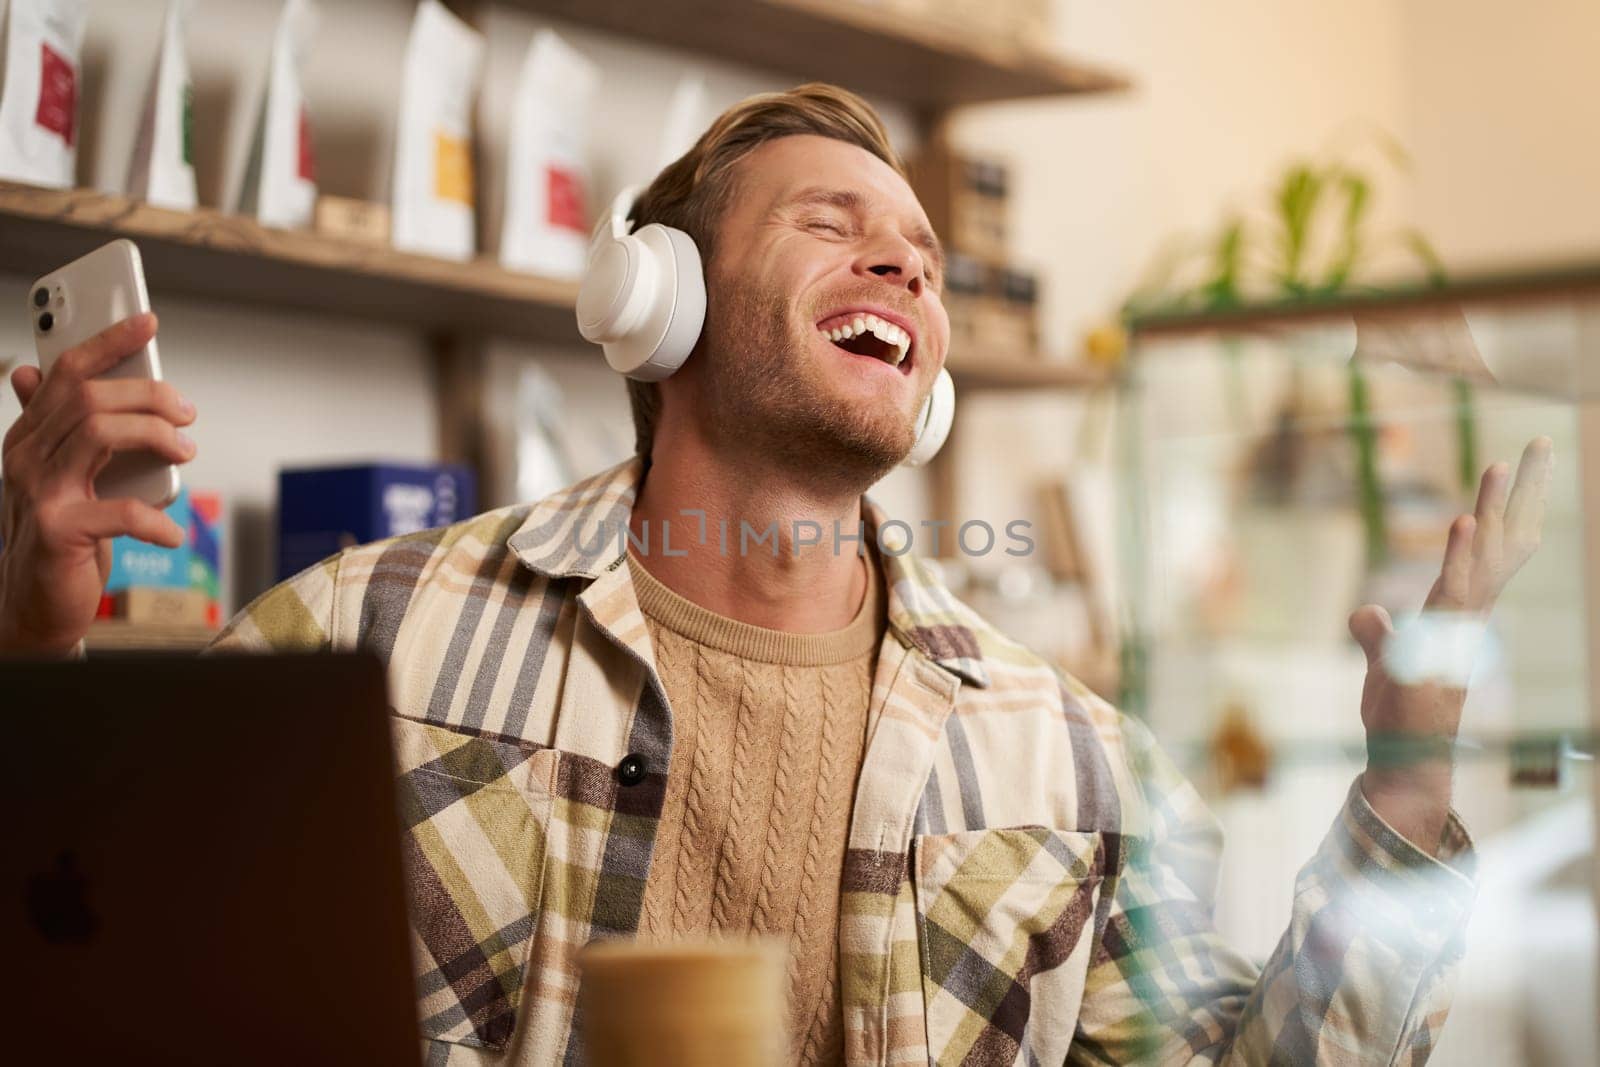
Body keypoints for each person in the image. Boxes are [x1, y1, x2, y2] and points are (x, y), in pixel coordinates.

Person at [0, 83, 1553, 1065]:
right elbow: (94, 985)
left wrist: (1407, 782)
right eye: (837, 225)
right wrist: (30, 644)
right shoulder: (370, 638)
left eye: (926, 259)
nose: (905, 268)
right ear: (653, 303)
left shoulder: (1078, 765)